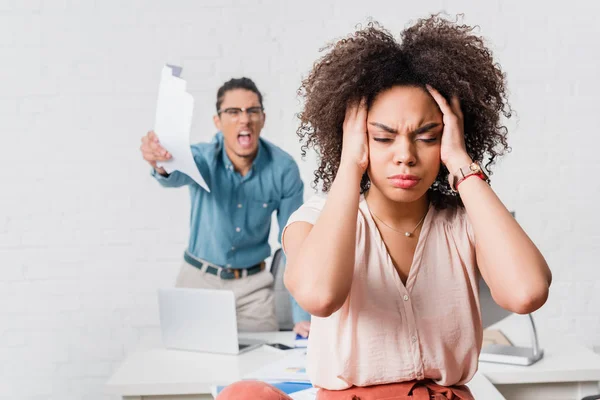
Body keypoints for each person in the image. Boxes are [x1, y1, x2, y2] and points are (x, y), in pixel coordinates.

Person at [219, 15, 552, 399]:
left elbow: (526, 292)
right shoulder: (316, 218)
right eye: (383, 137)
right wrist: (349, 165)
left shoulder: (464, 221)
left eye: (427, 137)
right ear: (357, 139)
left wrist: (462, 164)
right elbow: (318, 295)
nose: (405, 156)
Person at [140, 77, 311, 333]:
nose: (244, 119)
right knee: (190, 367)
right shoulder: (202, 158)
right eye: (233, 112)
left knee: (261, 366)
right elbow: (172, 173)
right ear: (218, 122)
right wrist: (160, 163)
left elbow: (295, 245)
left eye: (252, 111)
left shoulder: (283, 169)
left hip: (253, 289)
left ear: (262, 118)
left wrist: (303, 315)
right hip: (198, 282)